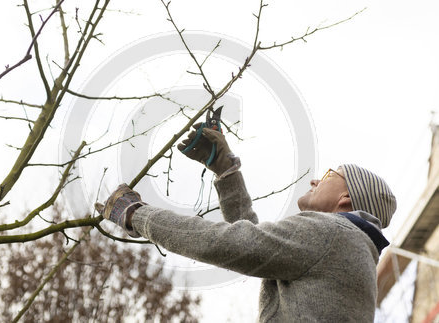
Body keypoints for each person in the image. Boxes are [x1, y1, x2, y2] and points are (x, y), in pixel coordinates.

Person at [95, 124, 397, 322]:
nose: (316, 179)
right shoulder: (347, 249)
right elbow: (255, 245)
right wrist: (227, 173)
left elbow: (229, 244)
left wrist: (136, 214)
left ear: (346, 198)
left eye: (330, 174)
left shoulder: (334, 234)